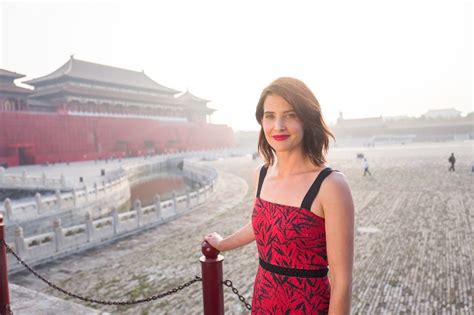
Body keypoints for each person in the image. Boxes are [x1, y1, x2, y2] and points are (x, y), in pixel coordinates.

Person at [204, 77, 354, 314]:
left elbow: (341, 280)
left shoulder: (331, 185)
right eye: (270, 115)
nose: (279, 125)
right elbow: (264, 224)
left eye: (291, 115)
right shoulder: (261, 175)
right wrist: (223, 243)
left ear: (307, 119)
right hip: (263, 302)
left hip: (308, 307)